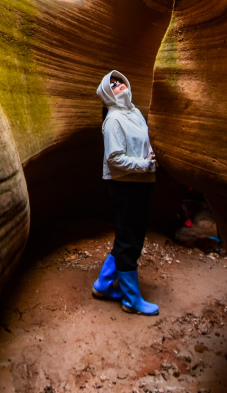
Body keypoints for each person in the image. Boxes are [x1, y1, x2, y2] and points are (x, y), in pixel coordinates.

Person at [90, 70, 160, 316]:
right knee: (130, 240)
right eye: (113, 84)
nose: (118, 84)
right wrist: (144, 165)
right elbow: (115, 158)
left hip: (140, 182)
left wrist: (149, 157)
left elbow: (144, 142)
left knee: (127, 236)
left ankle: (104, 284)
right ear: (108, 93)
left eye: (119, 81)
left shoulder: (135, 113)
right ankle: (131, 300)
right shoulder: (113, 120)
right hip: (127, 185)